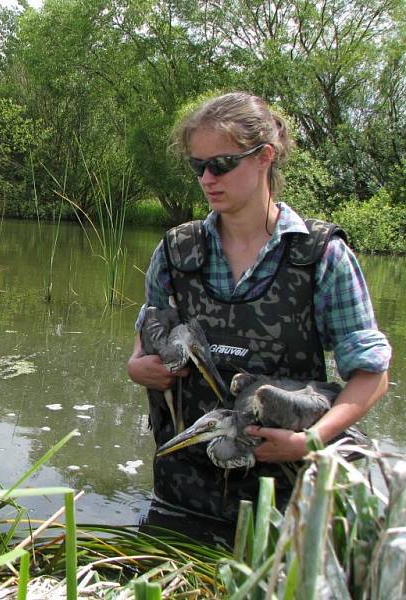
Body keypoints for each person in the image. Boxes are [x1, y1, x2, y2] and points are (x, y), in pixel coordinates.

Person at [127, 92, 391, 521]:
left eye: (222, 164)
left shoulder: (321, 257)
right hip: (180, 492)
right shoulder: (177, 250)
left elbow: (372, 376)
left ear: (264, 156)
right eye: (198, 166)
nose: (207, 178)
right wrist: (137, 368)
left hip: (283, 500)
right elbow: (145, 343)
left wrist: (313, 440)